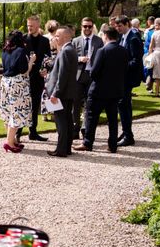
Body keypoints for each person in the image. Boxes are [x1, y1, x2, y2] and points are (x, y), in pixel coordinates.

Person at [73, 27, 128, 153]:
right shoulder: (123, 51)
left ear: (105, 36)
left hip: (99, 90)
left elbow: (94, 72)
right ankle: (112, 145)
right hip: (115, 90)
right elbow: (125, 70)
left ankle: (87, 143)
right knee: (113, 119)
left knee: (91, 117)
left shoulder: (102, 51)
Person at [0, 30, 35, 153]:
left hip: (5, 82)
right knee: (17, 112)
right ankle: (9, 142)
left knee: (8, 111)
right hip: (17, 84)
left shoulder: (5, 51)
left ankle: (13, 139)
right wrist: (31, 61)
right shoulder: (20, 51)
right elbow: (24, 71)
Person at [17, 15, 51, 143]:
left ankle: (33, 132)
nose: (29, 28)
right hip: (24, 78)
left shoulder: (45, 41)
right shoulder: (23, 40)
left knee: (35, 105)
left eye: (31, 26)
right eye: (28, 26)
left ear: (38, 26)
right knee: (22, 105)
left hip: (38, 78)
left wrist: (46, 69)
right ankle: (18, 133)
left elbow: (48, 58)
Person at [45, 27, 77, 157]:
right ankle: (66, 148)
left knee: (61, 122)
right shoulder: (70, 50)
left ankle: (61, 149)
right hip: (68, 92)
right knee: (67, 120)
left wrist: (55, 93)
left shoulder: (65, 51)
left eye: (57, 36)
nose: (54, 38)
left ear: (64, 37)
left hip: (62, 93)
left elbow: (62, 75)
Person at [71, 17, 103, 140]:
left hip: (92, 76)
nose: (87, 28)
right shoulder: (75, 41)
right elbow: (71, 57)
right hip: (78, 76)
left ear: (93, 26)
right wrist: (79, 59)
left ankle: (86, 129)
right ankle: (75, 129)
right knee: (76, 104)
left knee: (90, 104)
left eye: (89, 26)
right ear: (81, 27)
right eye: (85, 26)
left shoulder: (98, 41)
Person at [116, 15, 144, 147]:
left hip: (128, 77)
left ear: (127, 24)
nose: (118, 28)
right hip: (122, 77)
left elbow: (136, 60)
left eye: (120, 26)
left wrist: (120, 66)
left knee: (124, 105)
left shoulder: (133, 38)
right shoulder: (123, 37)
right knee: (123, 105)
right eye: (117, 26)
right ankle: (126, 131)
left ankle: (128, 135)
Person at [143, 16, 156, 91]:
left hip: (150, 52)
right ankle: (149, 84)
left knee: (149, 69)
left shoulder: (148, 31)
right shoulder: (148, 31)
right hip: (148, 51)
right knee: (149, 69)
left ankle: (149, 84)